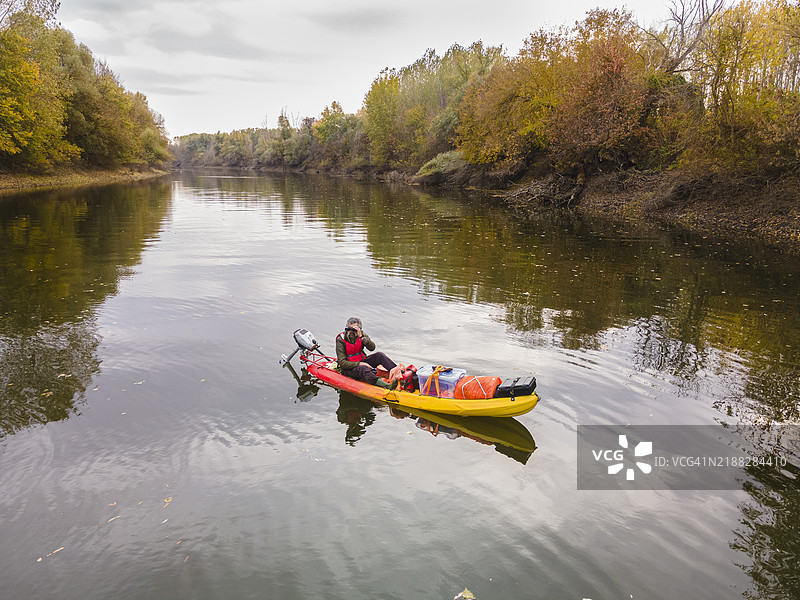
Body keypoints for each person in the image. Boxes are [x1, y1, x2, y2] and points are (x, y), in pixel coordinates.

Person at [336, 317, 400, 389]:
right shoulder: (341, 339)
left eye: (354, 329)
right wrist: (360, 364)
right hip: (349, 368)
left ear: (359, 329)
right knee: (363, 369)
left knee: (379, 355)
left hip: (361, 361)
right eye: (349, 328)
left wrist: (362, 337)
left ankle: (397, 373)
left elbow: (372, 348)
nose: (351, 331)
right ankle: (386, 385)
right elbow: (342, 363)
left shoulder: (361, 335)